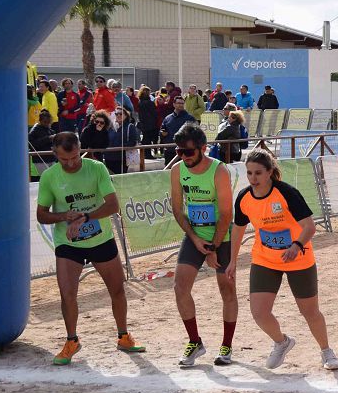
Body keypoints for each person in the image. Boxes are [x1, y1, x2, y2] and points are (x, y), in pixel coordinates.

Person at [36, 132, 146, 365]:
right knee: (67, 294)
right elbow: (41, 215)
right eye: (65, 160)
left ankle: (123, 336)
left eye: (75, 157)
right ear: (55, 155)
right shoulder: (49, 177)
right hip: (68, 244)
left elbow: (113, 205)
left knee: (117, 290)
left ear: (80, 149)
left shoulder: (97, 168)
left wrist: (85, 217)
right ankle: (71, 340)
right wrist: (64, 216)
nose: (71, 163)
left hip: (101, 239)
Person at [226, 149, 338, 370]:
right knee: (259, 313)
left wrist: (296, 245)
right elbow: (238, 230)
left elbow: (309, 226)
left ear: (270, 172)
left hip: (298, 258)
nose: (253, 179)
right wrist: (232, 260)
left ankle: (327, 352)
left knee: (310, 311)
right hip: (264, 258)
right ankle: (281, 342)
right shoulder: (244, 198)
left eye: (258, 173)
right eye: (249, 173)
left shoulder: (287, 193)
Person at [169, 124, 239, 367]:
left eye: (188, 152)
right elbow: (177, 209)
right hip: (195, 234)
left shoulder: (219, 171)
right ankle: (194, 341)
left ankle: (227, 345)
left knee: (227, 290)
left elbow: (226, 214)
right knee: (180, 287)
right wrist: (195, 238)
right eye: (179, 151)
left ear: (203, 148)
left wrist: (213, 248)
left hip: (222, 235)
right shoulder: (177, 170)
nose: (184, 156)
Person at [160, 96, 198, 165]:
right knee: (169, 172)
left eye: (182, 103)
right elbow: (162, 130)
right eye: (178, 103)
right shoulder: (168, 118)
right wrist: (162, 133)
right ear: (174, 104)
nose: (181, 105)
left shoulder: (190, 118)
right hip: (170, 150)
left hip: (185, 151)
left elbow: (196, 134)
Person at [104, 107, 139, 174]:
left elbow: (133, 142)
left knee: (120, 179)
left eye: (120, 114)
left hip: (122, 158)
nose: (118, 116)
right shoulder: (110, 126)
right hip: (108, 157)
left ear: (126, 115)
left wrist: (118, 147)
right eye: (116, 114)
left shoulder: (130, 126)